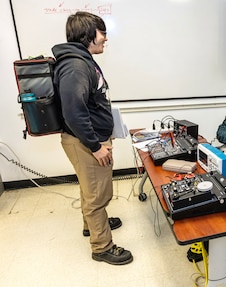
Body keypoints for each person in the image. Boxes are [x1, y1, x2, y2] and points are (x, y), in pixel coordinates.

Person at [52, 12, 133, 265]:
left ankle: (92, 225)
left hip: (88, 140)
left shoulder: (81, 60)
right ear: (88, 35)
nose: (106, 39)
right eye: (102, 33)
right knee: (98, 195)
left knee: (91, 189)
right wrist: (96, 146)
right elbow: (74, 112)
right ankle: (102, 246)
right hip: (87, 143)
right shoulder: (75, 66)